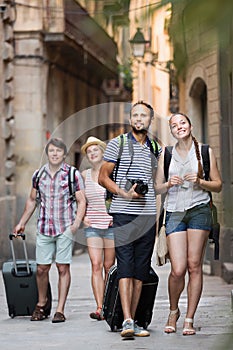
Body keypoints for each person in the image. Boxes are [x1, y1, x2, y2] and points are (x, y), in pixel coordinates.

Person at [98, 101, 162, 338]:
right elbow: (102, 177)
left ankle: (133, 320)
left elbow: (156, 183)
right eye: (135, 115)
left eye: (143, 115)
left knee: (140, 271)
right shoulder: (118, 143)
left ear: (150, 120)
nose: (138, 118)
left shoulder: (156, 147)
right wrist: (124, 193)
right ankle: (126, 320)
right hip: (123, 213)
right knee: (125, 266)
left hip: (146, 217)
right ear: (130, 119)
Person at [155, 112, 222, 336]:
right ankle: (173, 311)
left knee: (194, 266)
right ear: (172, 131)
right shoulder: (166, 154)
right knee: (178, 269)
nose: (179, 127)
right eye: (174, 125)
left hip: (199, 210)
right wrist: (167, 184)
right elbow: (157, 187)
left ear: (190, 125)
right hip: (174, 212)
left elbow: (218, 185)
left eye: (182, 123)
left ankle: (189, 319)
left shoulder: (204, 151)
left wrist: (201, 181)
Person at [13, 137, 86, 323]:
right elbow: (32, 200)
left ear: (64, 154)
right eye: (52, 151)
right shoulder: (38, 175)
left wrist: (76, 223)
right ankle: (42, 303)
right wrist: (21, 222)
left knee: (62, 267)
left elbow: (81, 200)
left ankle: (60, 309)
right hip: (44, 227)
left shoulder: (72, 174)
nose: (55, 154)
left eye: (58, 151)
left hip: (65, 227)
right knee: (41, 269)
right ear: (47, 153)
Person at [81, 136, 115, 321]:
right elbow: (80, 199)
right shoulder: (84, 175)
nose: (92, 153)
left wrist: (115, 217)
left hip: (110, 225)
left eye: (96, 150)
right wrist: (83, 215)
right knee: (96, 265)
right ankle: (100, 307)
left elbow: (119, 197)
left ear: (102, 152)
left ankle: (110, 304)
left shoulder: (111, 172)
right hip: (92, 225)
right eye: (89, 151)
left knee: (109, 267)